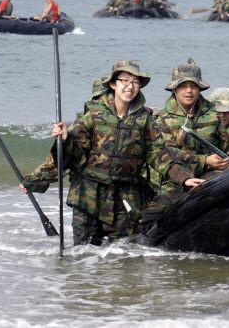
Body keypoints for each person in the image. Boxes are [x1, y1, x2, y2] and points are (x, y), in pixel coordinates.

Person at [21, 61, 199, 245]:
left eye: (135, 83)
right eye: (125, 81)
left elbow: (159, 153)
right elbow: (74, 156)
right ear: (113, 84)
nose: (130, 87)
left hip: (124, 198)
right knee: (83, 253)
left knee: (122, 255)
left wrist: (184, 177)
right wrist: (38, 176)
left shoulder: (144, 119)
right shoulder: (94, 114)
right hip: (88, 195)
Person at [155, 58, 229, 181]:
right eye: (183, 86)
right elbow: (167, 154)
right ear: (174, 89)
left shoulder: (215, 114)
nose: (189, 91)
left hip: (214, 175)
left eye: (193, 86)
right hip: (175, 177)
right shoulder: (162, 119)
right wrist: (204, 161)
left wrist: (226, 162)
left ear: (200, 88)